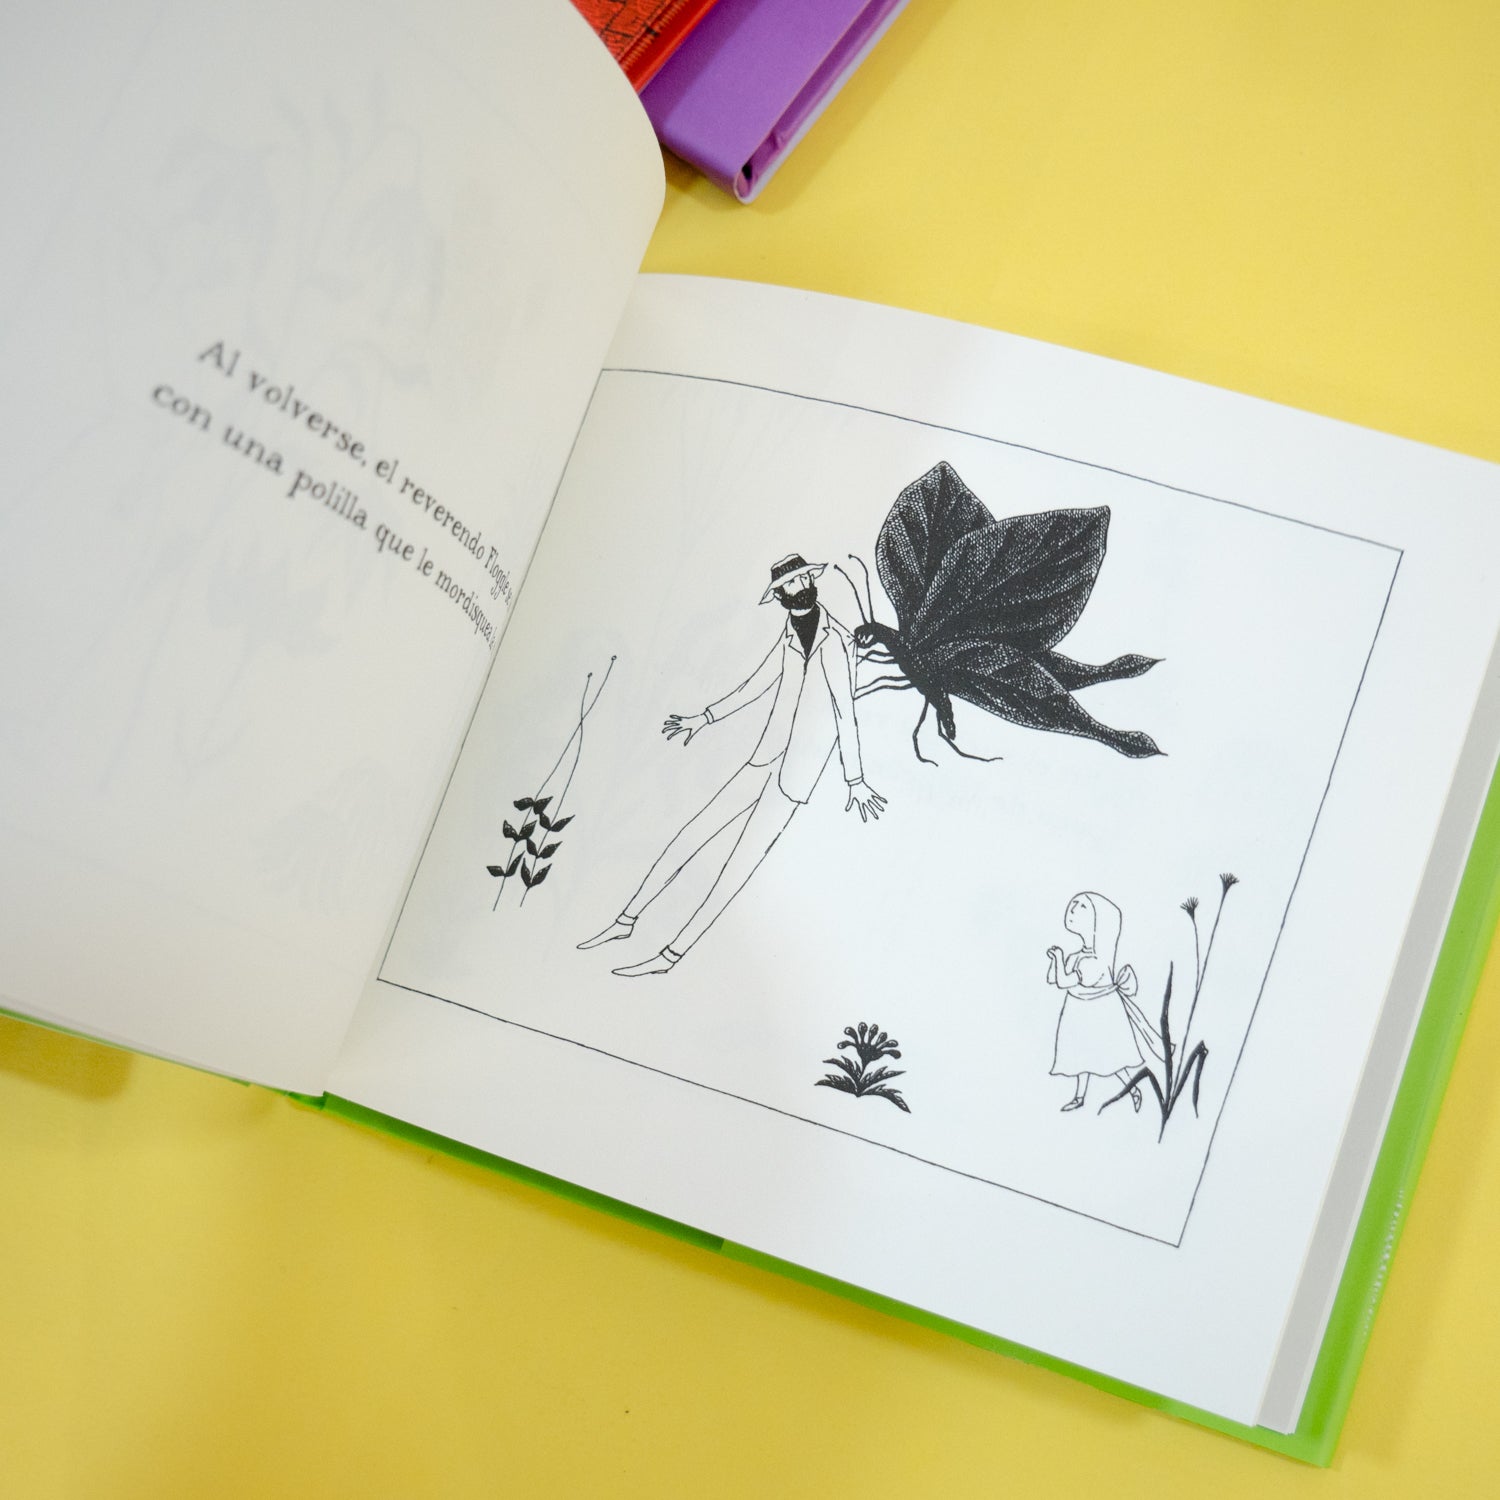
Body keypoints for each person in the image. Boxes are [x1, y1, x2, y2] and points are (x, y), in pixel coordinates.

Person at [579, 553, 886, 975]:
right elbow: (756, 684)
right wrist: (704, 718)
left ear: (813, 581)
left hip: (796, 775)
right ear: (779, 595)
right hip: (764, 755)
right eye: (791, 584)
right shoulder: (789, 634)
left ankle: (669, 956)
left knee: (735, 870)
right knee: (692, 835)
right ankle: (625, 920)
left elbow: (844, 712)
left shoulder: (836, 640)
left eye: (804, 580)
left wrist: (855, 779)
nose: (800, 588)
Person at [1045, 891, 1160, 1111]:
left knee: (1109, 1056)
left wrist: (1059, 958)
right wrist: (1055, 961)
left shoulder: (1095, 961)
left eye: (1082, 907)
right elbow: (1053, 978)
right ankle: (1080, 1097)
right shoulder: (1076, 956)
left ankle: (1132, 1088)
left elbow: (1064, 981)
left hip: (1099, 1012)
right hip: (1078, 1010)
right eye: (1074, 903)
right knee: (1081, 1054)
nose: (1073, 908)